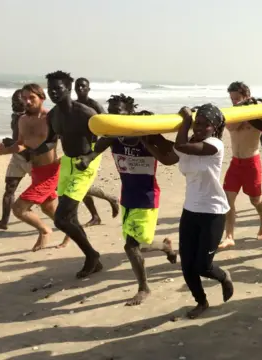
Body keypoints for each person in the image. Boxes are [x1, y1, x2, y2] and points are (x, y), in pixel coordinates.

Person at [80, 95, 178, 305]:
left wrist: (147, 135)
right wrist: (86, 160)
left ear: (130, 114)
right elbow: (98, 148)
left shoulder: (146, 134)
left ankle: (144, 288)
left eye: (120, 112)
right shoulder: (113, 135)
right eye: (111, 111)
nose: (115, 116)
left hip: (147, 195)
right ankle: (166, 247)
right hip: (127, 195)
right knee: (139, 245)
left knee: (131, 247)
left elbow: (171, 153)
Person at [173, 104, 234, 319]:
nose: (198, 128)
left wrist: (186, 121)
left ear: (214, 127)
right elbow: (168, 156)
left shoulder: (215, 145)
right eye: (196, 123)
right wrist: (146, 137)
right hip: (190, 210)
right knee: (187, 265)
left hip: (212, 212)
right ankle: (201, 301)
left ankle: (224, 276)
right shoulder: (190, 143)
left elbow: (179, 145)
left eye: (204, 124)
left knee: (203, 265)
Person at [47, 70, 103, 278]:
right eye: (50, 89)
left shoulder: (85, 113)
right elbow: (50, 140)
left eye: (58, 88)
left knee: (61, 219)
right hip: (67, 164)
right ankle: (92, 259)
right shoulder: (53, 114)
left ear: (68, 89)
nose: (53, 92)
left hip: (86, 163)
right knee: (71, 217)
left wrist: (89, 157)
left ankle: (92, 255)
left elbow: (107, 137)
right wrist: (24, 148)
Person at [0, 84, 60, 251]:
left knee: (19, 209)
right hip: (35, 170)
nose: (27, 101)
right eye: (24, 98)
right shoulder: (22, 120)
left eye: (32, 98)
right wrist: (3, 151)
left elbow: (62, 138)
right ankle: (71, 233)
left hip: (50, 171)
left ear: (42, 98)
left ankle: (44, 231)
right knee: (49, 208)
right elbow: (21, 145)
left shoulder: (50, 118)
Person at [220, 81, 262, 249]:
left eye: (237, 98)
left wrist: (254, 107)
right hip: (235, 163)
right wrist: (241, 108)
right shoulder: (233, 114)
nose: (234, 102)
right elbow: (231, 126)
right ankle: (229, 236)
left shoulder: (256, 114)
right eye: (232, 99)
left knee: (255, 200)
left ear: (246, 97)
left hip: (252, 162)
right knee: (228, 201)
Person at [74, 77, 120, 227]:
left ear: (88, 89)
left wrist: (107, 145)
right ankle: (96, 216)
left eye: (83, 86)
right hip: (77, 148)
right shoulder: (73, 105)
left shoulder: (93, 105)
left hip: (92, 149)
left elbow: (109, 125)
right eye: (78, 86)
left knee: (80, 184)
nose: (80, 89)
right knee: (81, 184)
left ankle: (110, 199)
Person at [0, 90, 32, 230]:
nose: (14, 104)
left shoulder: (31, 119)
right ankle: (4, 221)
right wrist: (10, 144)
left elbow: (31, 141)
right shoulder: (15, 116)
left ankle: (87, 196)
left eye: (17, 101)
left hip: (33, 159)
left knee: (57, 189)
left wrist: (10, 142)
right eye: (13, 101)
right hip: (18, 157)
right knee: (9, 189)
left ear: (26, 102)